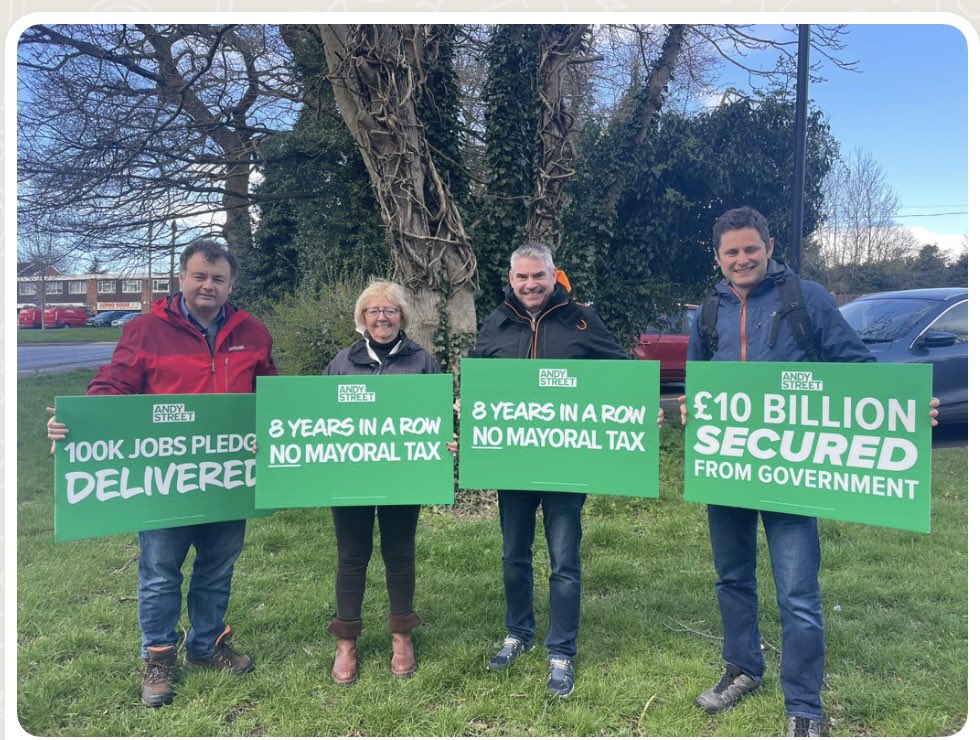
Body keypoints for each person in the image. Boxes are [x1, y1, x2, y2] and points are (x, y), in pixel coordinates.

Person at [682, 206, 937, 737]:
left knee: (797, 590)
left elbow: (857, 367)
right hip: (727, 463)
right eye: (731, 252)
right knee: (732, 578)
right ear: (718, 257)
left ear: (769, 247)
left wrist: (906, 407)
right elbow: (699, 379)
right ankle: (743, 669)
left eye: (751, 248)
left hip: (794, 469)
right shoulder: (707, 311)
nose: (742, 258)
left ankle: (804, 706)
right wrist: (690, 406)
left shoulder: (806, 298)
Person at [46, 239, 277, 708]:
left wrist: (272, 429)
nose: (208, 285)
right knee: (159, 571)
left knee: (218, 566)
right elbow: (115, 383)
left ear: (231, 284)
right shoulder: (146, 329)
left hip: (230, 476)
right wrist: (80, 420)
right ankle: (158, 657)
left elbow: (270, 394)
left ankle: (206, 646)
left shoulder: (252, 331)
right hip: (165, 478)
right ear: (182, 279)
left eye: (218, 278)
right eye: (199, 276)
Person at [468, 241, 651, 699]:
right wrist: (467, 413)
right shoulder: (497, 321)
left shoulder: (581, 320)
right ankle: (518, 633)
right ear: (510, 280)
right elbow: (476, 378)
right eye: (522, 277)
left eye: (539, 277)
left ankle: (561, 651)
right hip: (513, 462)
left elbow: (623, 376)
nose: (530, 285)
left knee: (564, 559)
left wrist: (640, 410)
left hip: (568, 461)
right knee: (514, 554)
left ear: (554, 276)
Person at [321, 280, 442, 686]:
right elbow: (317, 420)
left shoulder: (423, 360)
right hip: (350, 475)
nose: (382, 317)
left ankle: (402, 634)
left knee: (399, 551)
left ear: (402, 315)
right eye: (373, 311)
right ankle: (346, 642)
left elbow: (438, 418)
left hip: (402, 474)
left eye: (390, 310)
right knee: (352, 554)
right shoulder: (341, 363)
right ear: (362, 318)